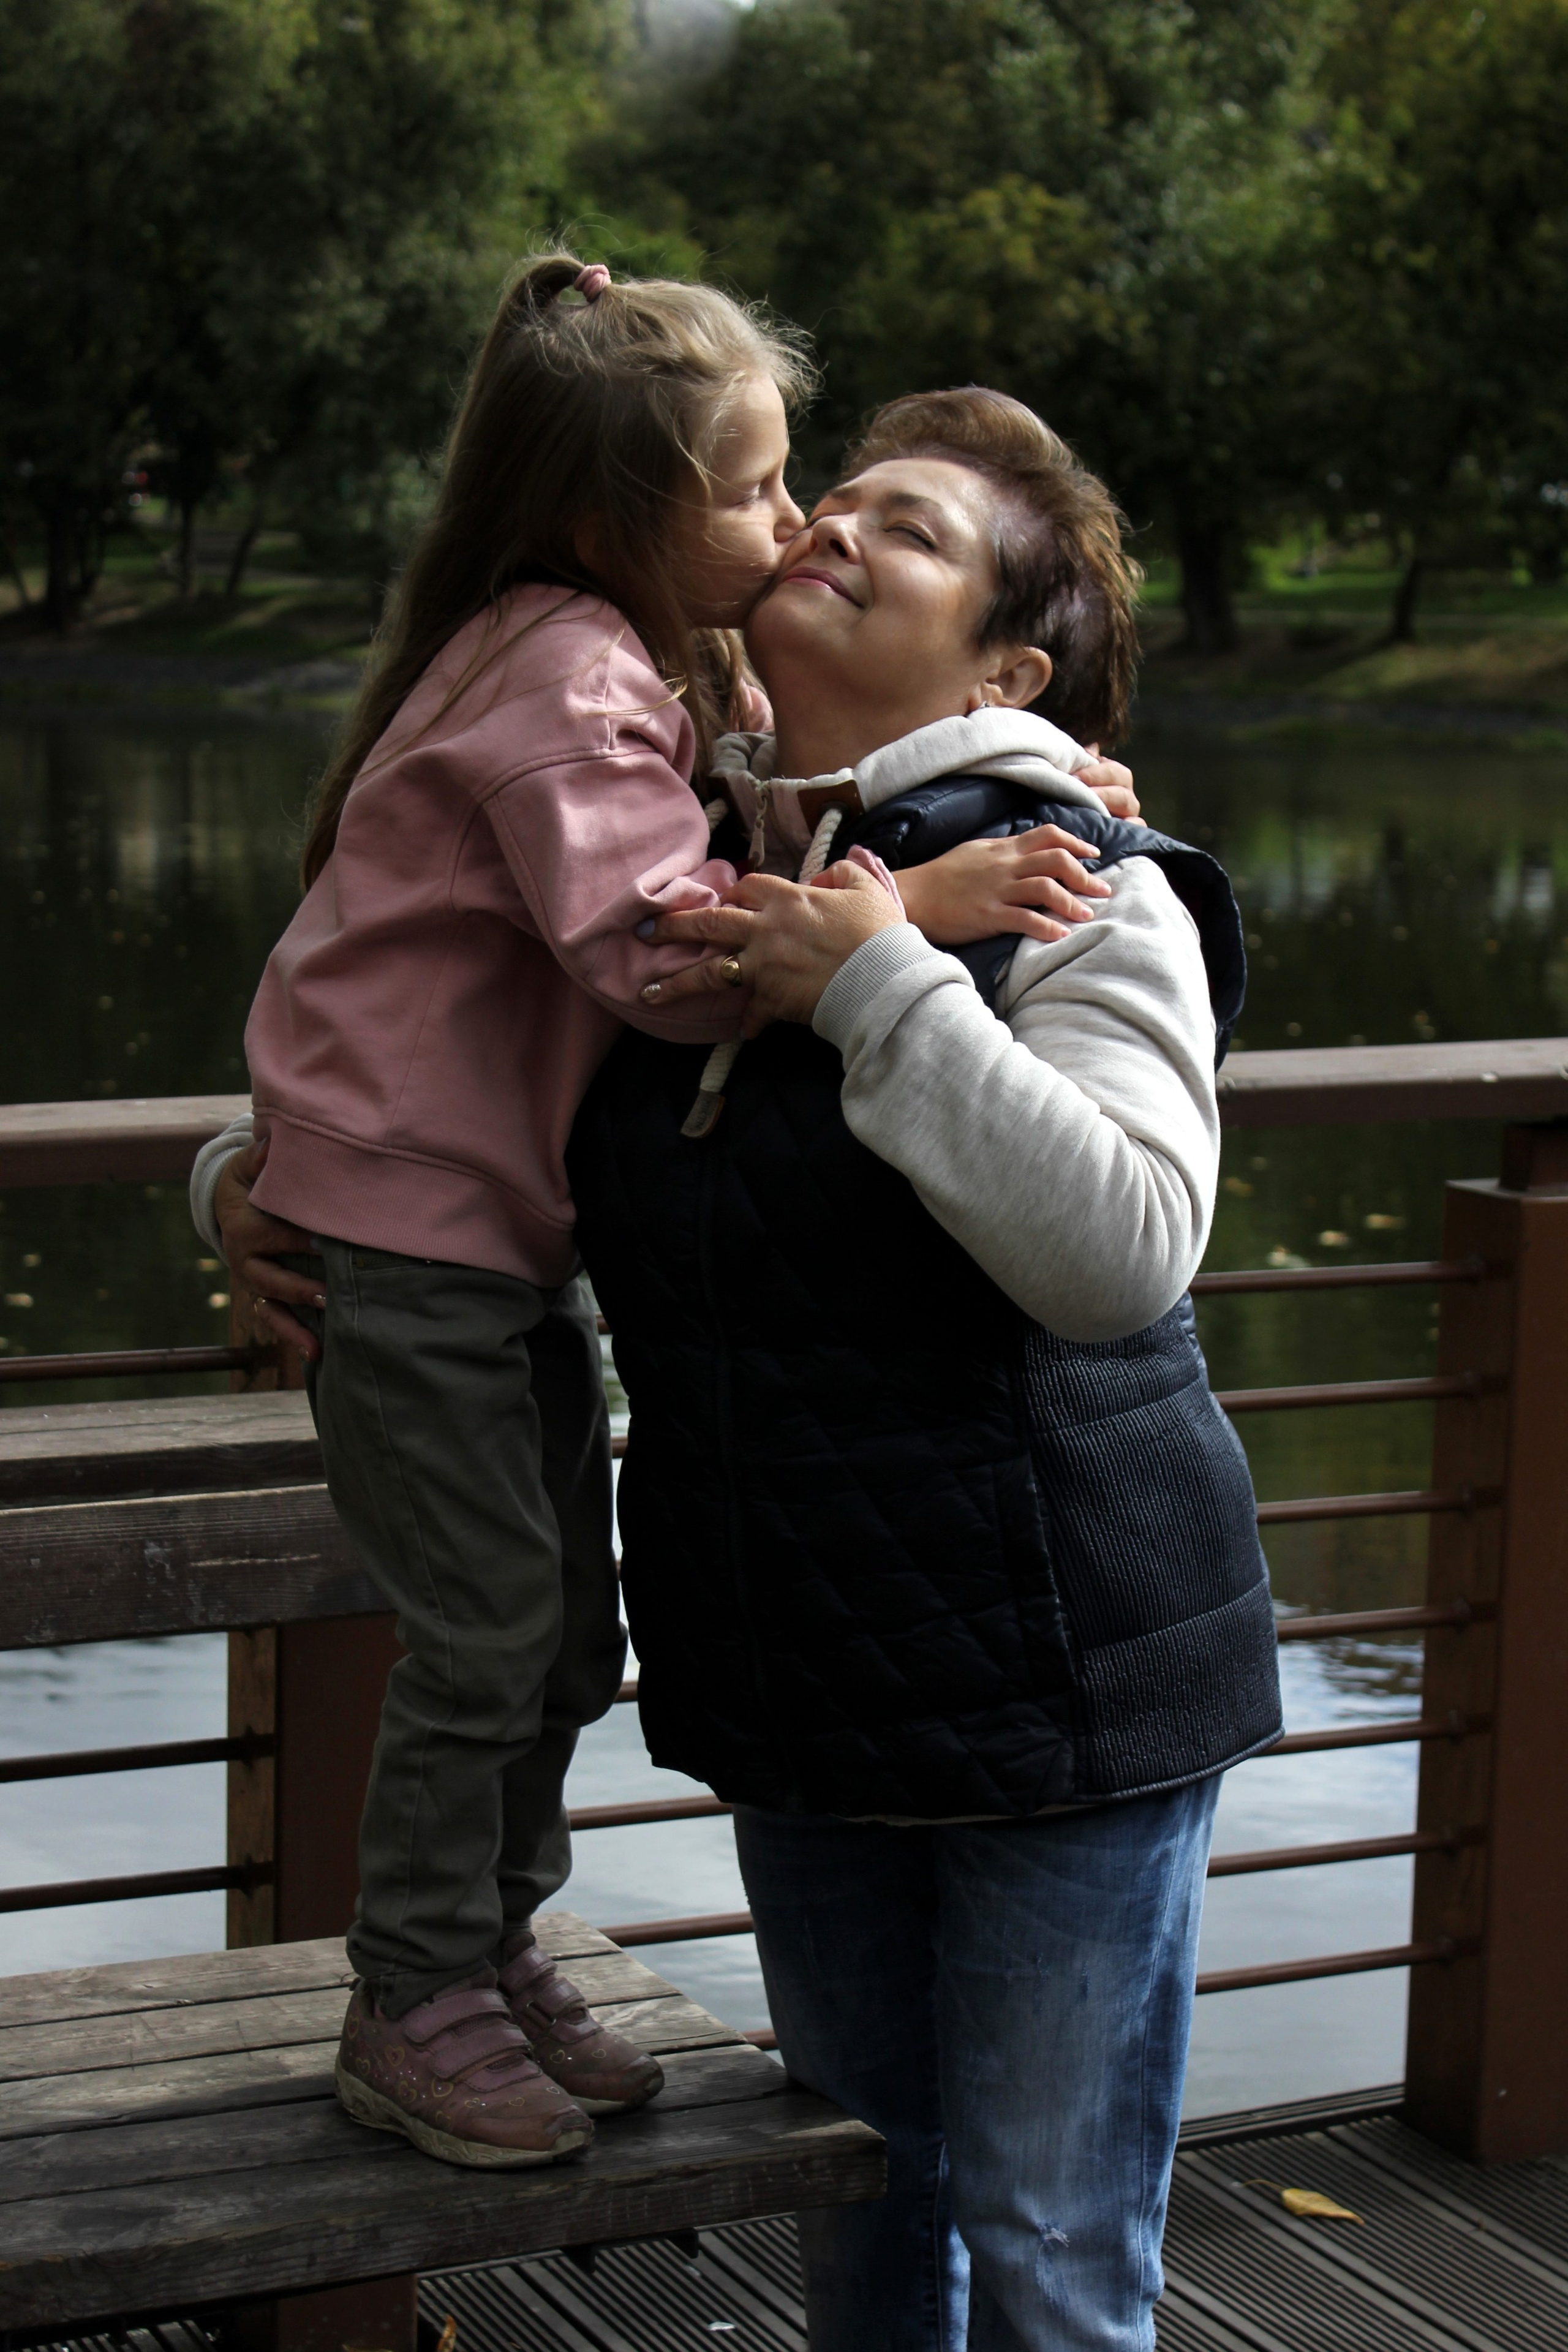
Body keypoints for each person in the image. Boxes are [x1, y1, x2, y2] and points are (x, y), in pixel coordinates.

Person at [192, 263, 1139, 2173]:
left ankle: (479, 1939)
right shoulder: (566, 675)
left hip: (480, 1243)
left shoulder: (620, 664)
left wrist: (990, 800)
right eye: (754, 488)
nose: (793, 526)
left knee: (553, 1632)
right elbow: (659, 956)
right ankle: (414, 1987)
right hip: (428, 1248)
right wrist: (922, 908)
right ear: (600, 520)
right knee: (494, 1628)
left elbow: (699, 858)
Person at [567, 388, 1283, 2349]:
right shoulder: (659, 883)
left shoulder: (1079, 881)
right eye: (832, 499)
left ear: (1009, 665)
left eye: (913, 529)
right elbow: (435, 1087)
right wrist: (253, 1191)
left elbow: (1121, 1248)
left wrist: (875, 982)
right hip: (807, 1670)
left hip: (1069, 1678)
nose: (837, 528)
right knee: (869, 2235)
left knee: (1052, 2258)